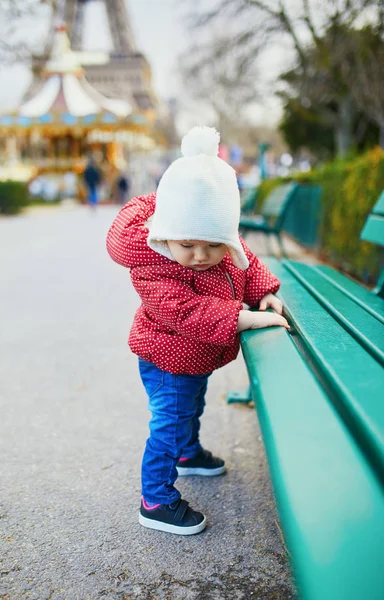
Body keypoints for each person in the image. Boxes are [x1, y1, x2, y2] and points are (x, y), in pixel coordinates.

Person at [106, 126, 289, 536]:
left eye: (214, 245)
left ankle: (188, 455)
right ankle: (156, 499)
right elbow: (187, 313)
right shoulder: (153, 265)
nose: (201, 256)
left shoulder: (217, 238)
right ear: (168, 232)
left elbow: (247, 260)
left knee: (193, 406)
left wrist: (264, 292)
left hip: (195, 357)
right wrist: (245, 318)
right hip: (167, 357)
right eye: (188, 245)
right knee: (169, 423)